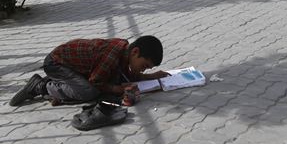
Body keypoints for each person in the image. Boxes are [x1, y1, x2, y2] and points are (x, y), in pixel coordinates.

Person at [9, 35, 169, 106]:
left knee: (114, 81)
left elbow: (129, 74)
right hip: (55, 64)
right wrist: (118, 89)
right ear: (135, 52)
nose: (143, 69)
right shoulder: (112, 56)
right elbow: (96, 81)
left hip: (73, 67)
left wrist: (153, 76)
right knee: (89, 92)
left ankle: (59, 86)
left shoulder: (125, 51)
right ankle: (41, 86)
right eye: (144, 66)